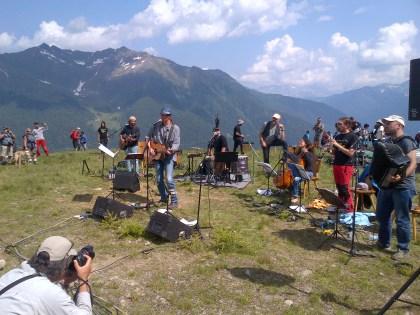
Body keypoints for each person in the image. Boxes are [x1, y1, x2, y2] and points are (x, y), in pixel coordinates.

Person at [0, 236, 93, 314]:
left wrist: (65, 281)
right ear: (63, 265)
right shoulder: (52, 294)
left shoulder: (13, 274)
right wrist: (83, 280)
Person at [375, 115, 417, 260]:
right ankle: (383, 242)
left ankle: (403, 248)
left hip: (403, 186)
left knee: (402, 218)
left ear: (398, 125)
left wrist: (402, 176)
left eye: (388, 123)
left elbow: (413, 163)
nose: (385, 126)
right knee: (382, 215)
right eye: (384, 123)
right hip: (387, 184)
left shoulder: (407, 141)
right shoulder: (388, 142)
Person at [148, 107, 180, 208]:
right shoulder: (156, 126)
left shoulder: (175, 128)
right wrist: (150, 148)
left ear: (169, 116)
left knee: (169, 179)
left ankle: (174, 201)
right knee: (158, 179)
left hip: (169, 156)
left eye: (164, 115)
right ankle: (164, 197)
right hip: (157, 155)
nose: (162, 117)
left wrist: (170, 151)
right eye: (161, 115)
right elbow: (148, 138)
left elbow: (176, 144)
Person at [330, 117, 358, 212]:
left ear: (347, 125)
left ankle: (349, 209)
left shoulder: (353, 136)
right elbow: (334, 152)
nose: (337, 126)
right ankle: (341, 206)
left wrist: (337, 145)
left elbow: (350, 153)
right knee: (339, 187)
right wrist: (331, 147)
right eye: (337, 124)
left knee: (345, 187)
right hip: (336, 164)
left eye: (340, 124)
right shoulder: (337, 137)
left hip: (346, 165)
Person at [288, 138, 315, 203]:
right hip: (300, 172)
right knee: (291, 168)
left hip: (309, 173)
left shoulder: (309, 153)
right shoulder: (300, 152)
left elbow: (310, 163)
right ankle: (293, 190)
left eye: (301, 141)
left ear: (305, 144)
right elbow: (295, 160)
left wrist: (306, 153)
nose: (299, 141)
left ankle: (295, 196)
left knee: (296, 178)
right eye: (299, 140)